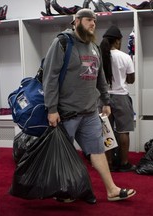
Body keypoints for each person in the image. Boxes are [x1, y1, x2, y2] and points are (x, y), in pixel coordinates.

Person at [42, 8, 136, 204]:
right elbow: (49, 78)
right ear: (75, 21)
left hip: (90, 112)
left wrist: (106, 101)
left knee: (98, 150)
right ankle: (63, 191)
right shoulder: (62, 43)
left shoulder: (93, 47)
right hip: (66, 113)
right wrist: (51, 109)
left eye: (94, 20)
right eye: (88, 20)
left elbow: (100, 78)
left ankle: (111, 190)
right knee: (64, 155)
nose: (93, 23)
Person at [99, 25, 136, 172]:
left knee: (106, 131)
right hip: (121, 97)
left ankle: (108, 163)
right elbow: (131, 80)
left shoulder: (99, 56)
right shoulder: (125, 57)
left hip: (103, 99)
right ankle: (124, 163)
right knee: (123, 131)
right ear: (118, 41)